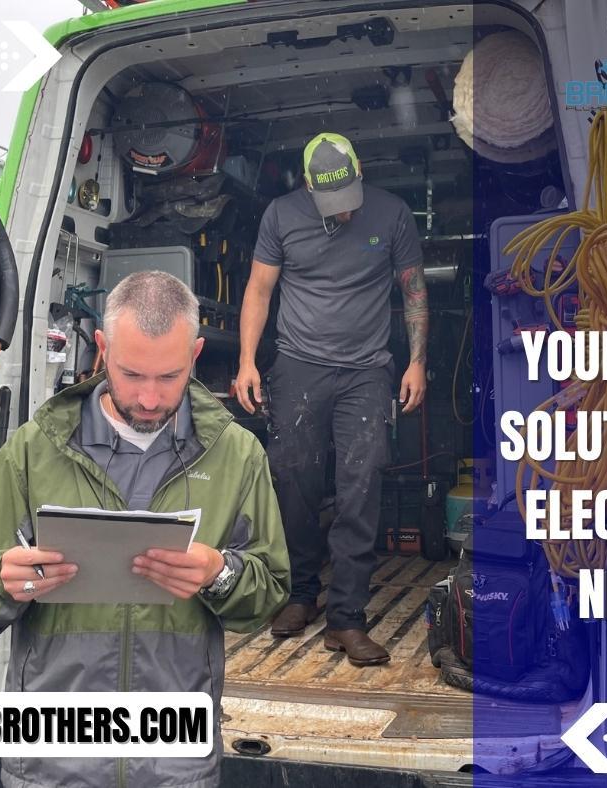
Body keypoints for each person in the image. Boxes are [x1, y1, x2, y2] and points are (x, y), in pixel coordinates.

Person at [0, 271, 290, 788]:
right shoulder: (34, 451)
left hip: (176, 766)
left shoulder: (237, 456)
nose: (150, 398)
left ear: (195, 354)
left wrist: (219, 575)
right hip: (50, 765)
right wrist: (3, 582)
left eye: (169, 377)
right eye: (132, 375)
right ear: (102, 349)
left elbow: (268, 596)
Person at [235, 133, 428, 667]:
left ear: (358, 173)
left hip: (367, 370)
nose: (342, 214)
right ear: (309, 186)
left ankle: (346, 618)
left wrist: (416, 360)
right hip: (298, 365)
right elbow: (258, 290)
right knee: (293, 480)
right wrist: (247, 361)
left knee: (360, 485)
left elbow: (413, 288)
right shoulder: (281, 215)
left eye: (348, 201)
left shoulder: (391, 214)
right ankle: (301, 593)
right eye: (330, 206)